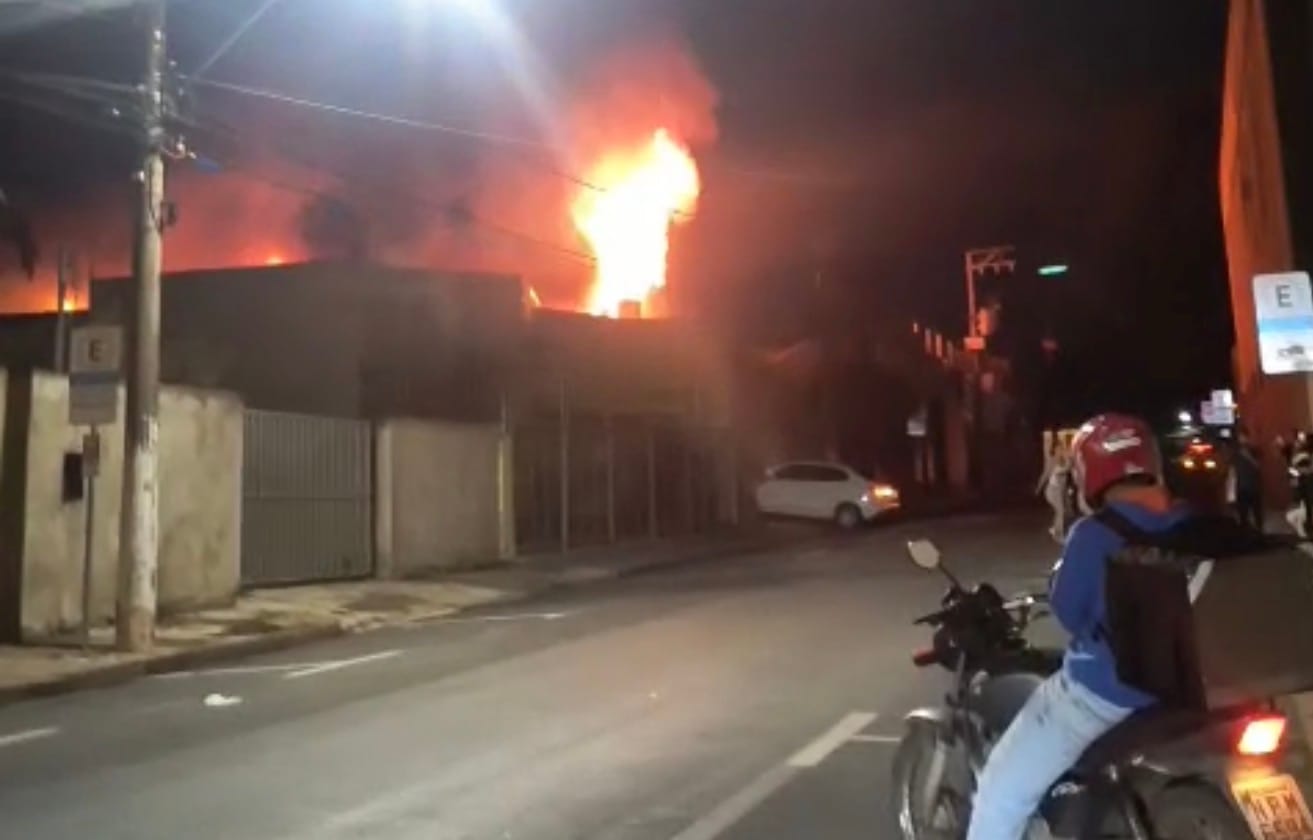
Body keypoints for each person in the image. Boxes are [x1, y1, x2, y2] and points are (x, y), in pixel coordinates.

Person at [967, 414, 1183, 840]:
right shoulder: (1189, 519)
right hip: (1188, 686)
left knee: (1000, 792)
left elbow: (1068, 612)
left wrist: (1068, 528)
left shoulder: (1093, 533)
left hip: (1105, 695)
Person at [1035, 434, 1073, 543]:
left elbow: (1068, 470)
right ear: (1055, 450)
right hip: (1051, 491)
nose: (1060, 451)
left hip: (1058, 491)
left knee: (1061, 512)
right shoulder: (1052, 461)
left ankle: (1055, 530)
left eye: (1061, 448)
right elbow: (1045, 475)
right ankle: (1058, 535)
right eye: (1058, 449)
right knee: (1060, 511)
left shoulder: (1063, 461)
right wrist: (1038, 488)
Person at [1231, 428, 1264, 532]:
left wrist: (1248, 456)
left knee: (1257, 513)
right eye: (1240, 437)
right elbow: (1232, 470)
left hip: (1254, 486)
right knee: (1243, 515)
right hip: (1241, 487)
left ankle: (1259, 532)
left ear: (1248, 437)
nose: (1242, 439)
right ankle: (1244, 534)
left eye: (1244, 436)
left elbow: (1259, 466)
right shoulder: (1235, 451)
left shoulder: (1253, 450)